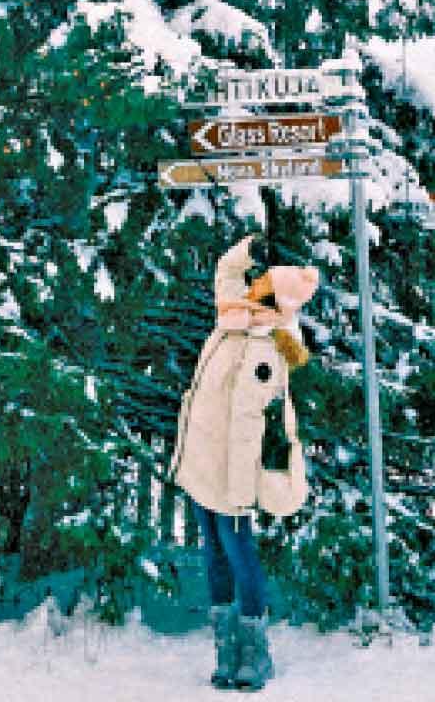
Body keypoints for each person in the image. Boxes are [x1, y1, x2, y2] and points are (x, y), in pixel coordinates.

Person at [170, 235, 319, 691]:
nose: (250, 287)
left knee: (239, 558)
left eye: (260, 284)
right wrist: (243, 252)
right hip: (201, 467)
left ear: (271, 300)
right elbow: (225, 279)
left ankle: (255, 652)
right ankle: (226, 651)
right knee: (213, 556)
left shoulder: (266, 350)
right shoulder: (237, 320)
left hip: (229, 480)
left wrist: (238, 495)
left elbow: (245, 427)